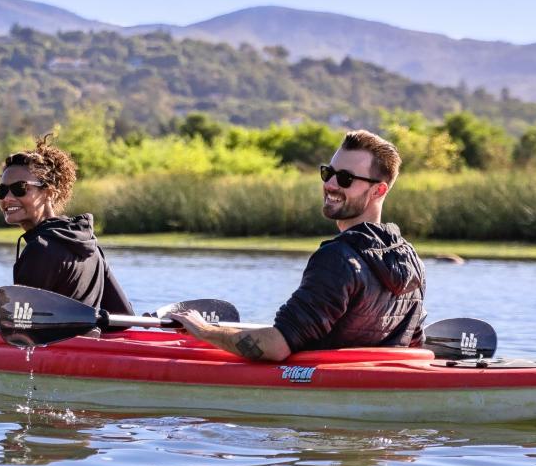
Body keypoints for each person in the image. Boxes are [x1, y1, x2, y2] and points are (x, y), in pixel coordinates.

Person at [168, 129, 424, 361]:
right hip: (373, 387)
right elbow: (415, 347)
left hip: (325, 389)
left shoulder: (338, 258)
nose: (330, 184)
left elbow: (275, 347)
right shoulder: (409, 258)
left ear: (378, 191)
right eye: (328, 172)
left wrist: (204, 330)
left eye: (345, 178)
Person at [0, 135, 133, 327]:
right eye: (1, 190)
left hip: (51, 358)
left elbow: (18, 328)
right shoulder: (90, 246)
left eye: (19, 188)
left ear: (49, 193)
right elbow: (125, 317)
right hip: (83, 352)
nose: (7, 198)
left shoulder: (41, 249)